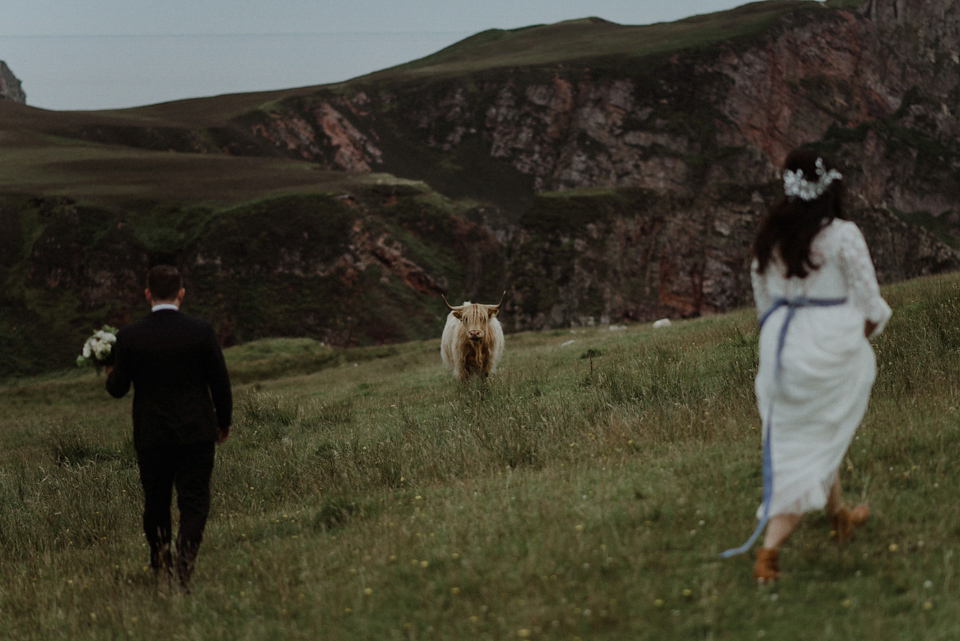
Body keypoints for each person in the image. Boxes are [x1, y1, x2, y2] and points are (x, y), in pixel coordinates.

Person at [722, 148, 892, 582]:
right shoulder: (843, 234)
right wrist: (857, 336)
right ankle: (769, 551)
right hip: (829, 344)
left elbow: (762, 293)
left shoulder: (771, 233)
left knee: (806, 434)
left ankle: (839, 516)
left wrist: (777, 330)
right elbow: (871, 304)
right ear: (831, 185)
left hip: (780, 344)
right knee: (811, 443)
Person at [106, 265, 232, 592]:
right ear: (181, 293)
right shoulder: (201, 330)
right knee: (194, 502)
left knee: (156, 503)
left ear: (147, 293)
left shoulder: (129, 337)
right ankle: (183, 569)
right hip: (196, 432)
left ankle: (160, 563)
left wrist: (109, 368)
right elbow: (220, 381)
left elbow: (117, 389)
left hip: (152, 435)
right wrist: (223, 420)